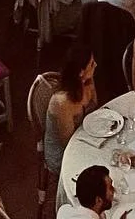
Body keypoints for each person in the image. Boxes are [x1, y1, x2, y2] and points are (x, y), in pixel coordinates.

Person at [43, 44, 97, 181]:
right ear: (80, 72)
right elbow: (68, 143)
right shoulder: (62, 102)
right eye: (91, 64)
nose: (95, 65)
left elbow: (95, 107)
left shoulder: (86, 81)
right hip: (63, 154)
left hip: (83, 137)